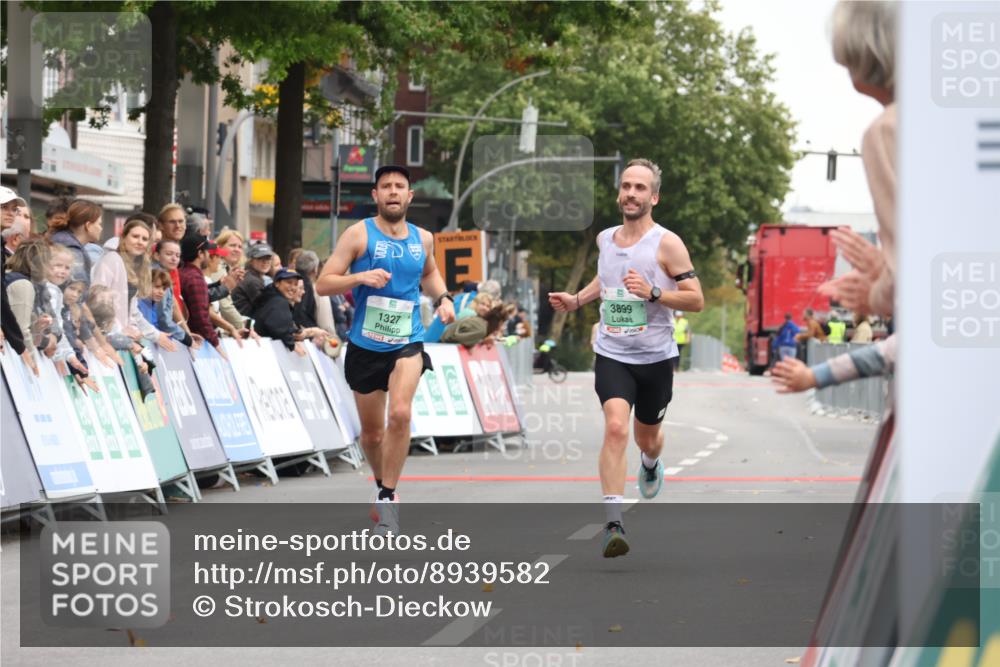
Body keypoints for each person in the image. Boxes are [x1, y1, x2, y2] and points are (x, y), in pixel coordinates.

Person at [548, 158, 704, 558]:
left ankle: (651, 462)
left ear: (654, 197)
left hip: (655, 357)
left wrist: (654, 293)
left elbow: (696, 299)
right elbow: (606, 278)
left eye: (640, 188)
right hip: (613, 353)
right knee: (616, 428)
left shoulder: (667, 243)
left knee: (645, 436)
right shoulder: (605, 239)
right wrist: (577, 299)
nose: (630, 193)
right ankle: (614, 521)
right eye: (626, 186)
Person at [316, 164, 455, 536]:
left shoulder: (423, 238)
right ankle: (382, 486)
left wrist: (442, 297)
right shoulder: (358, 235)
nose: (393, 192)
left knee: (402, 413)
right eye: (385, 187)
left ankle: (389, 497)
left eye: (400, 186)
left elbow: (428, 273)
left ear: (410, 196)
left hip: (407, 339)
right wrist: (359, 276)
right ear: (375, 195)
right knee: (373, 434)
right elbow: (323, 283)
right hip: (365, 343)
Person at [91, 217, 177, 353]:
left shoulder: (137, 267)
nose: (140, 242)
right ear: (123, 237)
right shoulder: (111, 259)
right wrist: (118, 331)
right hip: (104, 341)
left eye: (144, 239)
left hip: (122, 341)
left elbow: (132, 311)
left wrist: (152, 334)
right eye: (135, 236)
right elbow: (98, 302)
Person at [179, 236, 225, 357]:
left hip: (187, 341)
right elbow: (201, 317)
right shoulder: (195, 278)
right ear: (200, 254)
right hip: (195, 344)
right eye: (207, 252)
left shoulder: (182, 273)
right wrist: (217, 344)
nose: (209, 256)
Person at [213, 229, 248, 330]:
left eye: (239, 247)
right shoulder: (218, 267)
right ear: (220, 246)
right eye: (232, 245)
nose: (236, 249)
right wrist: (243, 326)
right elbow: (224, 305)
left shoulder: (228, 268)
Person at [232, 242, 275, 316]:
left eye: (268, 258)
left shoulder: (254, 277)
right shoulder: (252, 280)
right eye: (260, 258)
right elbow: (267, 308)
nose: (265, 262)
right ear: (251, 261)